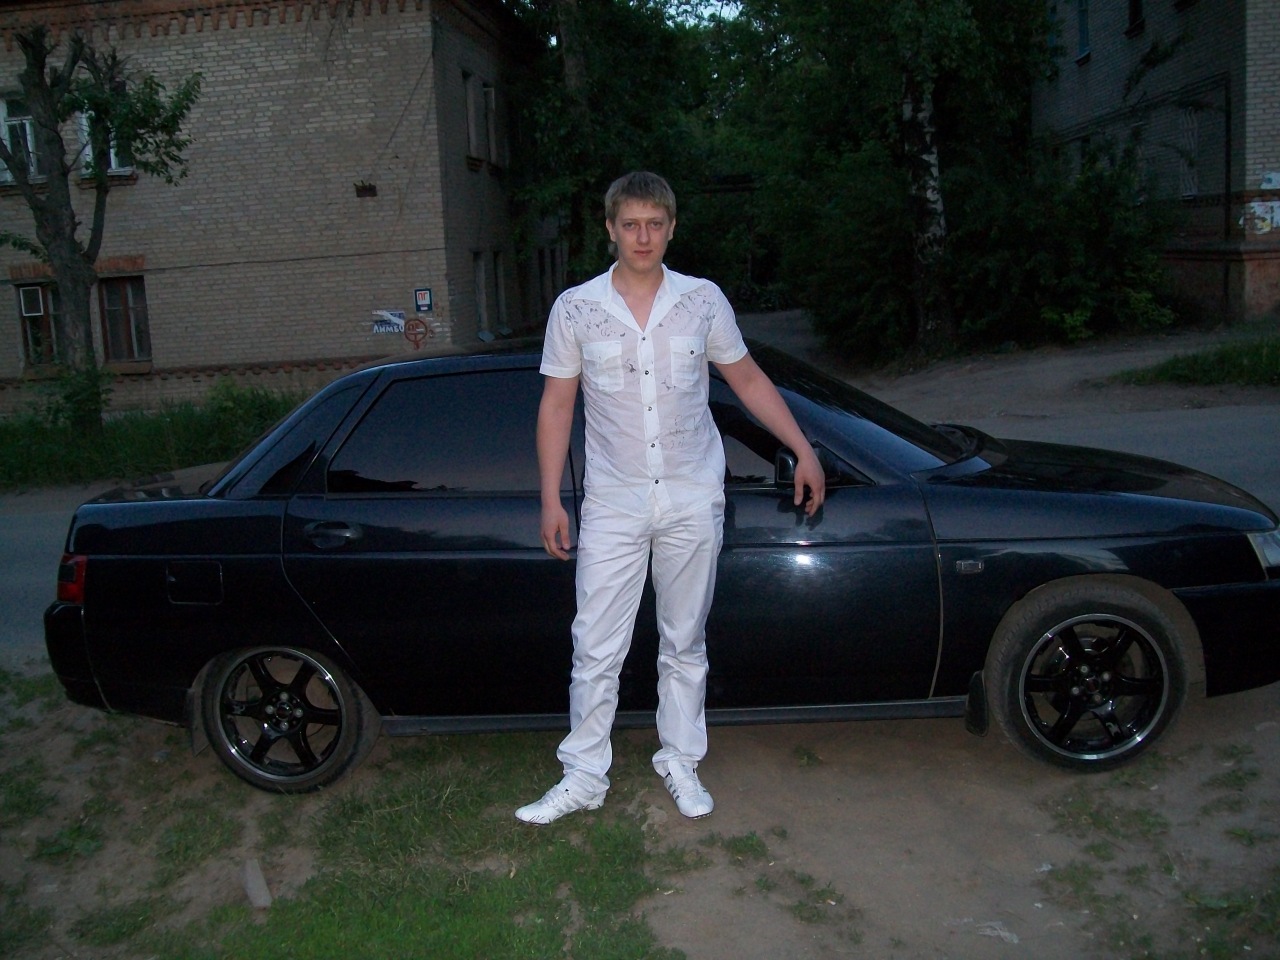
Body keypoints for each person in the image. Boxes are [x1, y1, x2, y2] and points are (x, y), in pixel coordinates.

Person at [515, 171, 825, 825]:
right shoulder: (576, 309)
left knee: (684, 640)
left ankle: (680, 759)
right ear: (610, 229)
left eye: (654, 224)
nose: (643, 236)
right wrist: (550, 498)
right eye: (630, 224)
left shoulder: (702, 302)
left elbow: (747, 378)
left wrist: (803, 447)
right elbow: (557, 405)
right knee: (595, 644)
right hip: (613, 500)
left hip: (690, 495)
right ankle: (583, 775)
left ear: (672, 228)